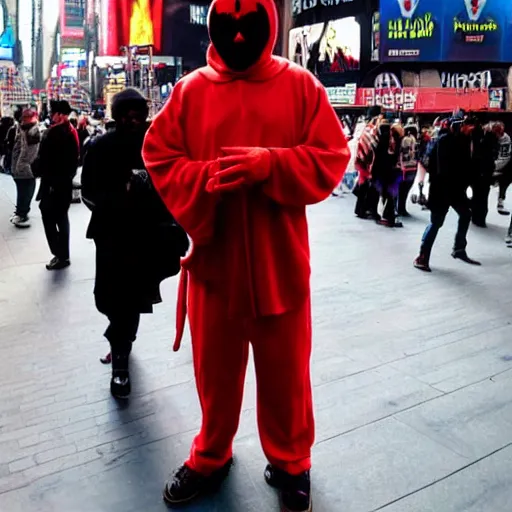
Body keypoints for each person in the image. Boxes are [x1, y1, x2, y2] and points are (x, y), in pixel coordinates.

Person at [142, 0, 350, 509]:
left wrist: (271, 165)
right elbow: (159, 153)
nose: (237, 38)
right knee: (213, 377)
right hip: (215, 267)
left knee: (286, 377)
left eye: (248, 26)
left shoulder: (302, 86)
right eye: (228, 27)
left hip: (280, 267)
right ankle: (210, 454)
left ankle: (291, 461)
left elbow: (332, 156)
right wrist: (208, 178)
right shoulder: (190, 92)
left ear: (270, 25)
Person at [81, 88, 188, 399]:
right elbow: (89, 191)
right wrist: (119, 197)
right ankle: (119, 339)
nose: (133, 119)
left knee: (132, 298)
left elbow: (174, 185)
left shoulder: (158, 146)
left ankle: (120, 363)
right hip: (113, 236)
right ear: (117, 115)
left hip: (148, 236)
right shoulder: (101, 147)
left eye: (138, 113)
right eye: (126, 113)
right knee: (111, 298)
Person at [414, 116, 481, 272]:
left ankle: (459, 249)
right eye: (466, 125)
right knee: (436, 222)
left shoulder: (465, 140)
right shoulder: (443, 141)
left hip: (456, 189)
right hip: (441, 189)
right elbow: (441, 168)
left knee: (465, 215)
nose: (469, 129)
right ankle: (422, 256)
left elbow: (467, 164)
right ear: (458, 125)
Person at [35, 100, 79, 270]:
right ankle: (62, 254)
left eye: (53, 113)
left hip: (54, 185)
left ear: (60, 115)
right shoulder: (71, 131)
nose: (51, 116)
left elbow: (45, 160)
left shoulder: (56, 134)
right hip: (63, 184)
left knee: (49, 216)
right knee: (61, 218)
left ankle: (60, 254)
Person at [10, 109, 41, 227]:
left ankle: (21, 213)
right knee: (25, 192)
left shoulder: (25, 129)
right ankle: (21, 214)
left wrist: (18, 166)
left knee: (24, 192)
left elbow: (24, 152)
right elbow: (27, 153)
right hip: (24, 169)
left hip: (21, 168)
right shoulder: (30, 130)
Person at [470, 121, 499, 228]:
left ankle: (477, 217)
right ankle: (479, 218)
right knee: (482, 195)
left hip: (480, 170)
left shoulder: (482, 138)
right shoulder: (490, 138)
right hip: (483, 171)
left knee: (478, 195)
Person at [397, 122, 419, 216]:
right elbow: (407, 153)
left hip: (406, 167)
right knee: (404, 189)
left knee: (402, 189)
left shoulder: (404, 139)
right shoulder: (409, 139)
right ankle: (401, 208)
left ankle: (400, 208)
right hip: (409, 167)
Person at [492, 122, 511, 215]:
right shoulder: (491, 137)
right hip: (494, 164)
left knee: (505, 180)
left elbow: (504, 157)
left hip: (502, 164)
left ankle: (500, 200)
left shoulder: (505, 139)